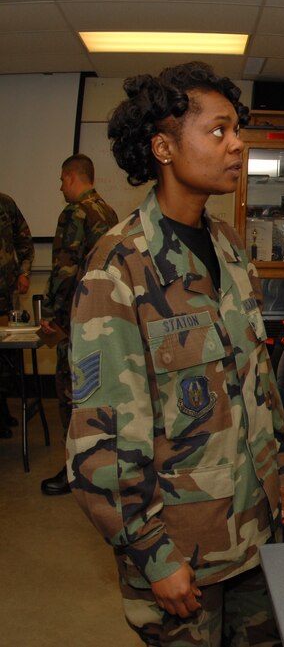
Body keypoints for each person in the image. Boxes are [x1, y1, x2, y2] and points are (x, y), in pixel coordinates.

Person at [65, 61, 284, 646]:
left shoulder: (226, 244)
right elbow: (103, 440)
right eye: (218, 131)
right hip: (182, 549)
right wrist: (152, 554)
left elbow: (257, 373)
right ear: (164, 147)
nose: (237, 145)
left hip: (255, 527)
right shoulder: (117, 268)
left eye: (235, 131)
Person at [38, 154, 118, 495]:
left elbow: (66, 270)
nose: (60, 187)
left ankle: (74, 469)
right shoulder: (109, 212)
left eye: (61, 180)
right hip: (105, 315)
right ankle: (100, 462)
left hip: (77, 319)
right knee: (98, 391)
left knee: (71, 394)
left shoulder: (75, 213)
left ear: (73, 177)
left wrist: (53, 317)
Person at [0, 191, 34, 439]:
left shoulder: (5, 203)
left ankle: (2, 408)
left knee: (6, 357)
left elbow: (24, 240)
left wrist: (24, 272)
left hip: (4, 293)